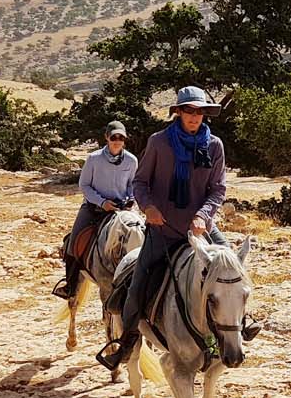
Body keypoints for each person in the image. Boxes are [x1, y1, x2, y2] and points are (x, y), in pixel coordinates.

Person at [97, 86, 254, 369]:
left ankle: (243, 323)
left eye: (200, 112)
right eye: (190, 111)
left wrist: (203, 215)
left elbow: (217, 189)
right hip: (164, 228)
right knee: (139, 280)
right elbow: (140, 183)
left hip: (201, 228)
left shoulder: (214, 145)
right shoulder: (159, 143)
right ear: (179, 112)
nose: (195, 117)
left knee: (232, 270)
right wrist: (150, 208)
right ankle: (127, 340)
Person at [53, 121, 138, 299]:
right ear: (107, 137)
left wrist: (130, 199)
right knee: (73, 242)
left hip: (121, 210)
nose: (117, 141)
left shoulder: (131, 160)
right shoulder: (93, 159)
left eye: (121, 138)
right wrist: (101, 202)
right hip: (94, 208)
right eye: (114, 137)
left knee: (140, 236)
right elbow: (84, 185)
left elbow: (132, 185)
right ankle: (70, 285)